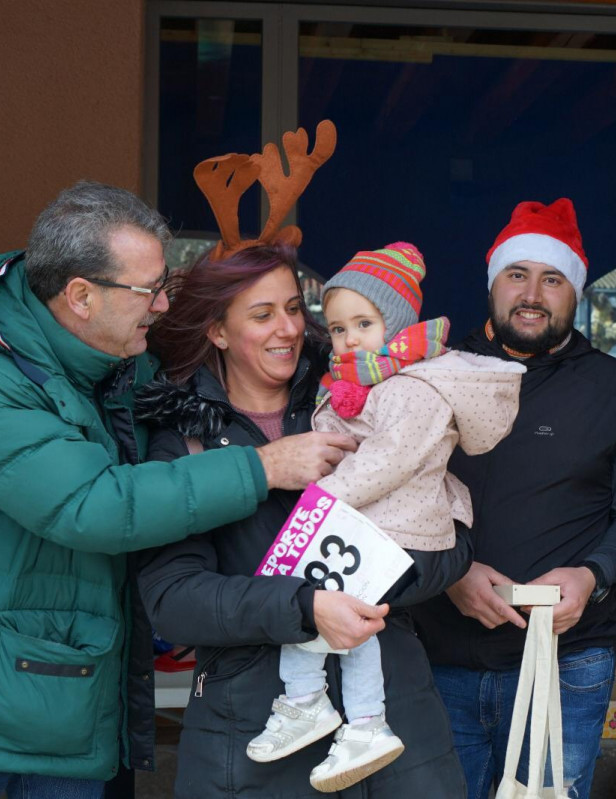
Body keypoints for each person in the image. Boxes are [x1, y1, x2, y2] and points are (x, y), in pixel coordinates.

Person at [0, 181, 352, 798]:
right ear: (80, 296)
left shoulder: (117, 361)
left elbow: (227, 337)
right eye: (150, 290)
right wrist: (260, 468)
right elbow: (90, 506)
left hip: (69, 685)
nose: (160, 306)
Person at [135, 243, 473, 798]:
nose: (289, 329)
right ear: (217, 331)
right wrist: (303, 607)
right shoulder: (185, 442)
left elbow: (451, 537)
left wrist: (381, 579)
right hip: (254, 735)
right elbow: (174, 599)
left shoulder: (361, 401)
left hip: (398, 726)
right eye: (263, 315)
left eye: (294, 308)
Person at [411, 198, 616, 799]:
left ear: (574, 292)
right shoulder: (438, 374)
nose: (532, 292)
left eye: (552, 278)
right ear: (493, 284)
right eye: (517, 274)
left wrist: (593, 575)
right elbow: (397, 495)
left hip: (567, 660)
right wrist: (451, 574)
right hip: (439, 653)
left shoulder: (614, 388)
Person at [244, 242, 523, 791]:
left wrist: (319, 497)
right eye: (339, 327)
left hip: (397, 528)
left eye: (364, 324)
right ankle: (353, 718)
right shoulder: (364, 383)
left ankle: (320, 707)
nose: (348, 339)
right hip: (380, 524)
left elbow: (387, 460)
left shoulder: (413, 387)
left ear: (395, 324)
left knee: (311, 596)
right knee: (343, 617)